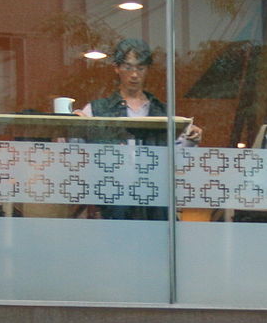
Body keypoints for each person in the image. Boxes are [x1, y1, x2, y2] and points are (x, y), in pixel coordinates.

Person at [77, 38, 201, 220]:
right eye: (128, 67)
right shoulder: (97, 110)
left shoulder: (163, 111)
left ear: (147, 70)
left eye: (140, 68)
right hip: (114, 198)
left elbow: (179, 158)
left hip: (155, 198)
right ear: (117, 68)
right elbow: (77, 150)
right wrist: (74, 124)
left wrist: (192, 138)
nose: (134, 74)